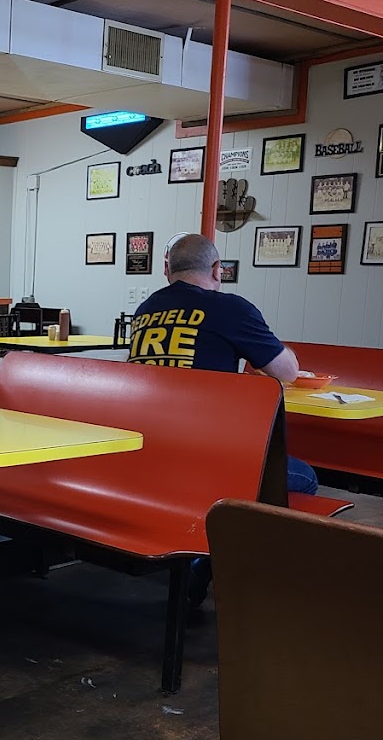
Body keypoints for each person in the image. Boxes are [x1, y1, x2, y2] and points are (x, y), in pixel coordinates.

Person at [129, 232, 317, 604]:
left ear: (167, 270)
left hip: (148, 449)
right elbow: (287, 371)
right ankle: (216, 563)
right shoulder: (231, 309)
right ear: (218, 269)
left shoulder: (146, 310)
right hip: (206, 457)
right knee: (304, 478)